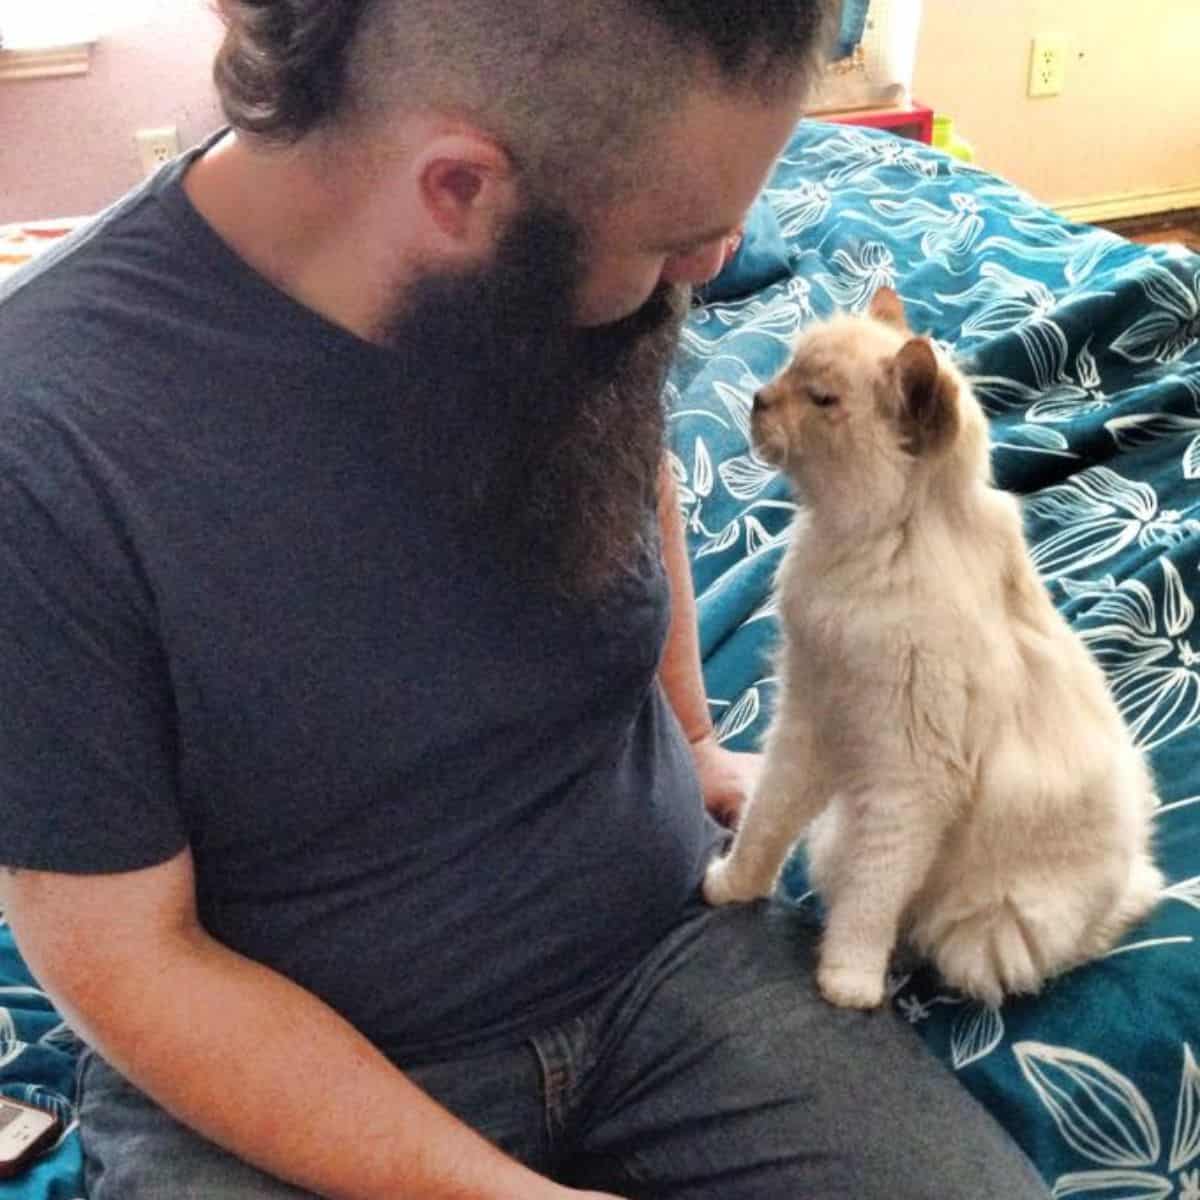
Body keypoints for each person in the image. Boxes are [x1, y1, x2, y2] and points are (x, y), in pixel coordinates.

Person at [0, 2, 1052, 1197]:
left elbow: (626, 456)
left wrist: (697, 737)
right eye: (677, 239)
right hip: (290, 1053)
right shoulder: (43, 441)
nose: (719, 262)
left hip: (666, 958)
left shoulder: (545, 283)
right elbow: (128, 961)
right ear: (460, 191)